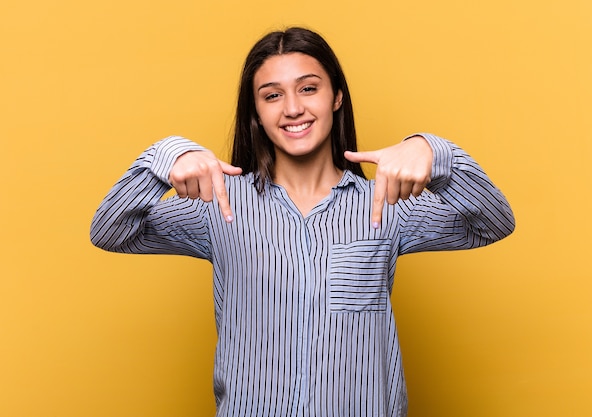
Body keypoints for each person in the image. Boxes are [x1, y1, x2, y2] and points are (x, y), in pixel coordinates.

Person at [90, 27, 515, 417]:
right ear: (255, 111)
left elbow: (491, 223)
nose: (293, 109)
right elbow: (110, 231)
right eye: (272, 95)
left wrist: (432, 151)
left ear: (336, 97)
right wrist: (167, 156)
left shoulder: (388, 206)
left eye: (308, 89)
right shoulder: (219, 205)